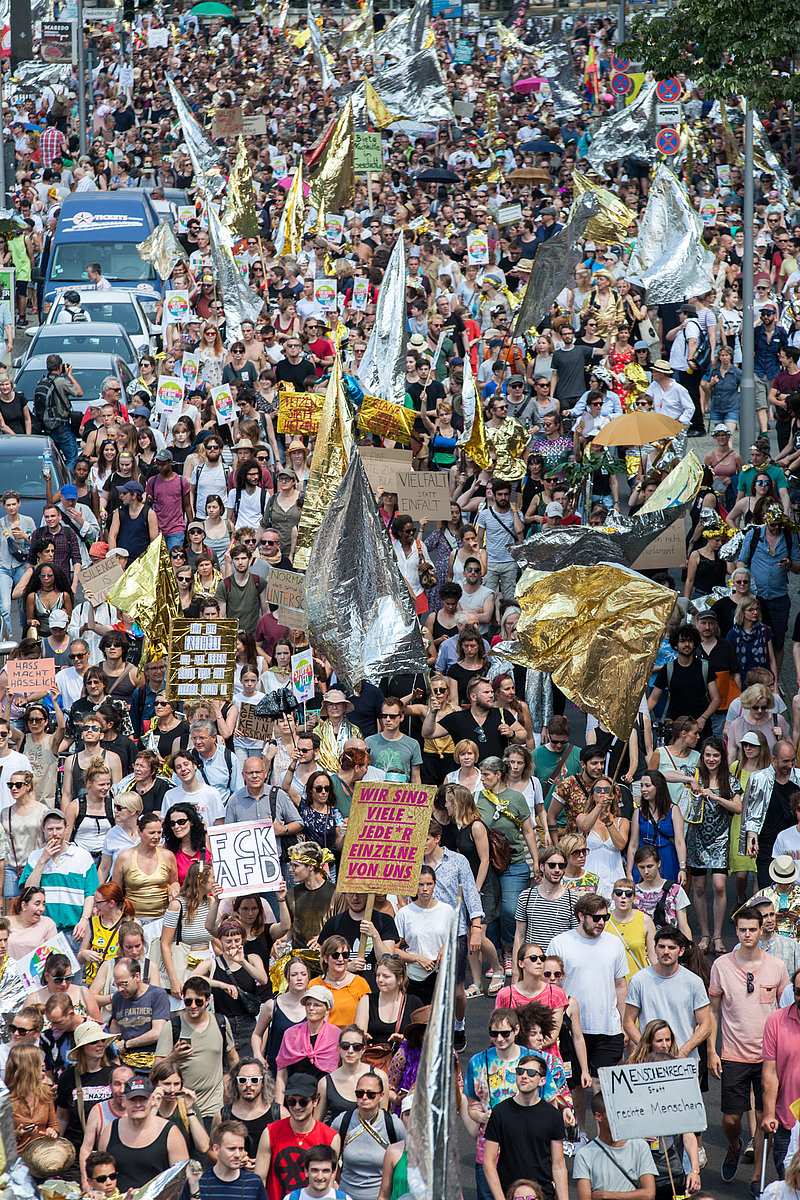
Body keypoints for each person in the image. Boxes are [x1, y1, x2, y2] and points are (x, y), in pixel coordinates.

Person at [708, 906, 788, 1186]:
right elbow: (713, 1011)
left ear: (761, 929)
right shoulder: (721, 966)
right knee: (731, 1118)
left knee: (765, 1118)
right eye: (742, 930)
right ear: (736, 931)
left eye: (752, 929)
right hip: (733, 1053)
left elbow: (787, 1010)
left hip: (769, 1058)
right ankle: (733, 1147)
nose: (747, 934)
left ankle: (756, 1177)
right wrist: (711, 1050)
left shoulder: (777, 966)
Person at [546, 893, 628, 1129]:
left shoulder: (614, 943)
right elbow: (552, 985)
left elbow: (620, 985)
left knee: (604, 1086)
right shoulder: (561, 943)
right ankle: (580, 1133)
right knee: (575, 1086)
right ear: (580, 916)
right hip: (572, 1029)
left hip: (608, 1027)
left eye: (605, 917)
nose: (601, 922)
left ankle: (608, 1135)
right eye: (596, 917)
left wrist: (622, 1024)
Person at [482, 1054, 568, 1200]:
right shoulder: (500, 1112)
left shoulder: (553, 1116)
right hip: (510, 1193)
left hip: (543, 1193)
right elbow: (488, 1162)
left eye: (531, 1073)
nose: (524, 1076)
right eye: (520, 1071)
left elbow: (558, 1165)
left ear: (542, 1081)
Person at [154, 974, 238, 1123]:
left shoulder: (221, 1022)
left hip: (213, 1107)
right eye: (188, 1001)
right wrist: (174, 1057)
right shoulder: (173, 1026)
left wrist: (238, 1084)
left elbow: (232, 1058)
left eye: (198, 1001)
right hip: (180, 1106)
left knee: (207, 1146)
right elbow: (156, 1068)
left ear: (207, 1000)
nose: (193, 1006)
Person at [623, 926, 711, 1061]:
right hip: (650, 1061)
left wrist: (684, 1051)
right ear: (654, 949)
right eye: (661, 947)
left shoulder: (694, 982)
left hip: (684, 1060)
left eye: (671, 948)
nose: (666, 952)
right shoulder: (639, 980)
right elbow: (628, 1021)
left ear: (681, 951)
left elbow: (705, 1024)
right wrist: (646, 1048)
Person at [19, 808, 98, 955]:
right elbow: (28, 892)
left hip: (73, 929)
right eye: (50, 829)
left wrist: (84, 920)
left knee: (73, 976)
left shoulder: (83, 856)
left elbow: (90, 893)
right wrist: (43, 860)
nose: (54, 833)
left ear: (66, 828)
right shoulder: (35, 857)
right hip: (42, 929)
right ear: (43, 829)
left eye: (58, 828)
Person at [255, 1072, 339, 1200]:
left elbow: (329, 1185)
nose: (297, 1107)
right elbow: (260, 1181)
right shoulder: (270, 1132)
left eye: (303, 1102)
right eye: (292, 1101)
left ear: (315, 1101)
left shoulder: (330, 1137)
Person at [97, 1076, 188, 1190]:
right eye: (133, 1100)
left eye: (143, 1099)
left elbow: (182, 1181)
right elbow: (99, 1174)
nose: (138, 1105)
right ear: (124, 1101)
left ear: (152, 1100)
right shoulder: (110, 1131)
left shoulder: (170, 1133)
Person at [331, 1071, 404, 1200]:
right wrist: (335, 1184)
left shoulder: (393, 1125)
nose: (364, 1097)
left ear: (381, 1096)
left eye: (371, 1094)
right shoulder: (342, 1121)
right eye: (360, 1093)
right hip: (346, 1195)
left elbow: (405, 1161)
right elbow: (329, 1159)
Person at [572, 1091, 657, 1200]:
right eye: (615, 1113)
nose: (621, 1117)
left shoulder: (640, 1147)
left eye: (622, 1112)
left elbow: (649, 1194)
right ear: (598, 1116)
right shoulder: (584, 1155)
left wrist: (606, 1196)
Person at [181, 1120, 268, 1200]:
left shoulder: (254, 1182)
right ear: (216, 1149)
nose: (237, 1155)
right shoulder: (199, 1181)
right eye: (231, 1149)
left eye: (241, 1149)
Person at [110, 956, 170, 1072]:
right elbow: (115, 1029)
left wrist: (127, 1044)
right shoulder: (118, 997)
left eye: (124, 983)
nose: (121, 989)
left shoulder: (157, 995)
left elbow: (157, 1033)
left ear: (137, 976)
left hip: (151, 1065)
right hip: (126, 1065)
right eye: (116, 985)